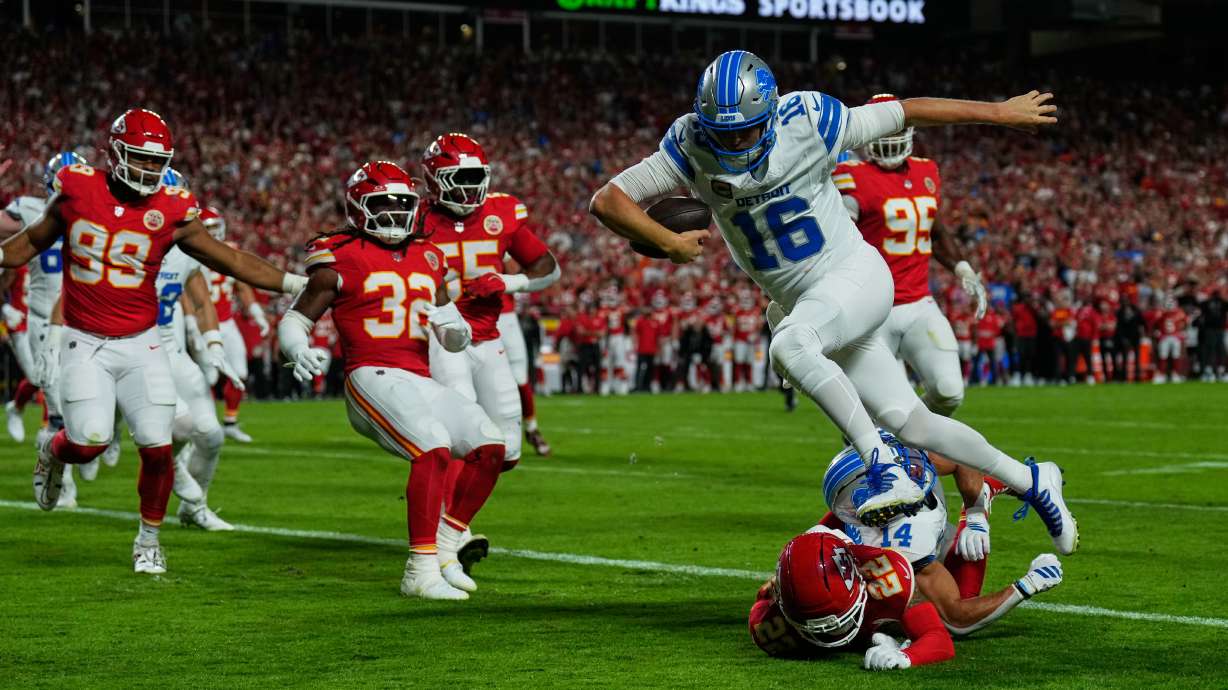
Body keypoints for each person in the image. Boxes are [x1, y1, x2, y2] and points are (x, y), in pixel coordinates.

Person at [590, 50, 1077, 553]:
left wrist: (1000, 112)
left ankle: (885, 469)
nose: (734, 142)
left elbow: (908, 110)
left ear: (771, 111)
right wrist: (666, 241)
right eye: (723, 132)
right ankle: (1031, 479)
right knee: (911, 420)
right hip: (810, 300)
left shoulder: (811, 119)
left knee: (790, 345)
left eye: (745, 130)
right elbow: (608, 200)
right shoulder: (690, 142)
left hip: (855, 275)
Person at [0, 108, 306, 573]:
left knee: (157, 446)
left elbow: (229, 258)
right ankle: (52, 449)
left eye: (155, 160)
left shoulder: (174, 207)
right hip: (85, 339)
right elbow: (29, 242)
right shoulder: (77, 188)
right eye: (139, 158)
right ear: (115, 152)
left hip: (143, 342)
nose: (147, 169)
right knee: (89, 441)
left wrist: (291, 283)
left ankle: (148, 541)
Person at [279, 161, 505, 600]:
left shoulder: (429, 254)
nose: (393, 213)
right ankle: (419, 570)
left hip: (418, 375)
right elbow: (296, 319)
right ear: (359, 206)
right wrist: (297, 349)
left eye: (402, 204)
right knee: (432, 445)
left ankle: (443, 551)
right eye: (382, 204)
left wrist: (455, 330)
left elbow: (451, 332)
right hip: (370, 372)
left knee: (489, 446)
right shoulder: (339, 255)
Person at [819, 434, 1064, 637]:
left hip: (915, 532)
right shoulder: (908, 547)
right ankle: (995, 486)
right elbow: (957, 620)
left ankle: (1000, 486)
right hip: (908, 550)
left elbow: (964, 455)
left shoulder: (902, 460)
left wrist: (976, 518)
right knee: (951, 603)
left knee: (972, 525)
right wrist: (1028, 584)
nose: (914, 466)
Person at [832, 96, 988, 414]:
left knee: (949, 392)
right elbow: (838, 240)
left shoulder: (925, 171)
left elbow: (935, 228)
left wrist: (962, 268)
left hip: (918, 303)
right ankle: (870, 457)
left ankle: (910, 444)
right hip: (872, 311)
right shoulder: (852, 175)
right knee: (876, 410)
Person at [200, 207, 270, 443]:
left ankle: (230, 422)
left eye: (215, 227)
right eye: (208, 228)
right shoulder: (190, 253)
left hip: (228, 323)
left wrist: (256, 312)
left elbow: (241, 285)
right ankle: (206, 423)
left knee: (240, 373)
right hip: (203, 326)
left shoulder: (231, 251)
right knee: (207, 377)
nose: (214, 232)